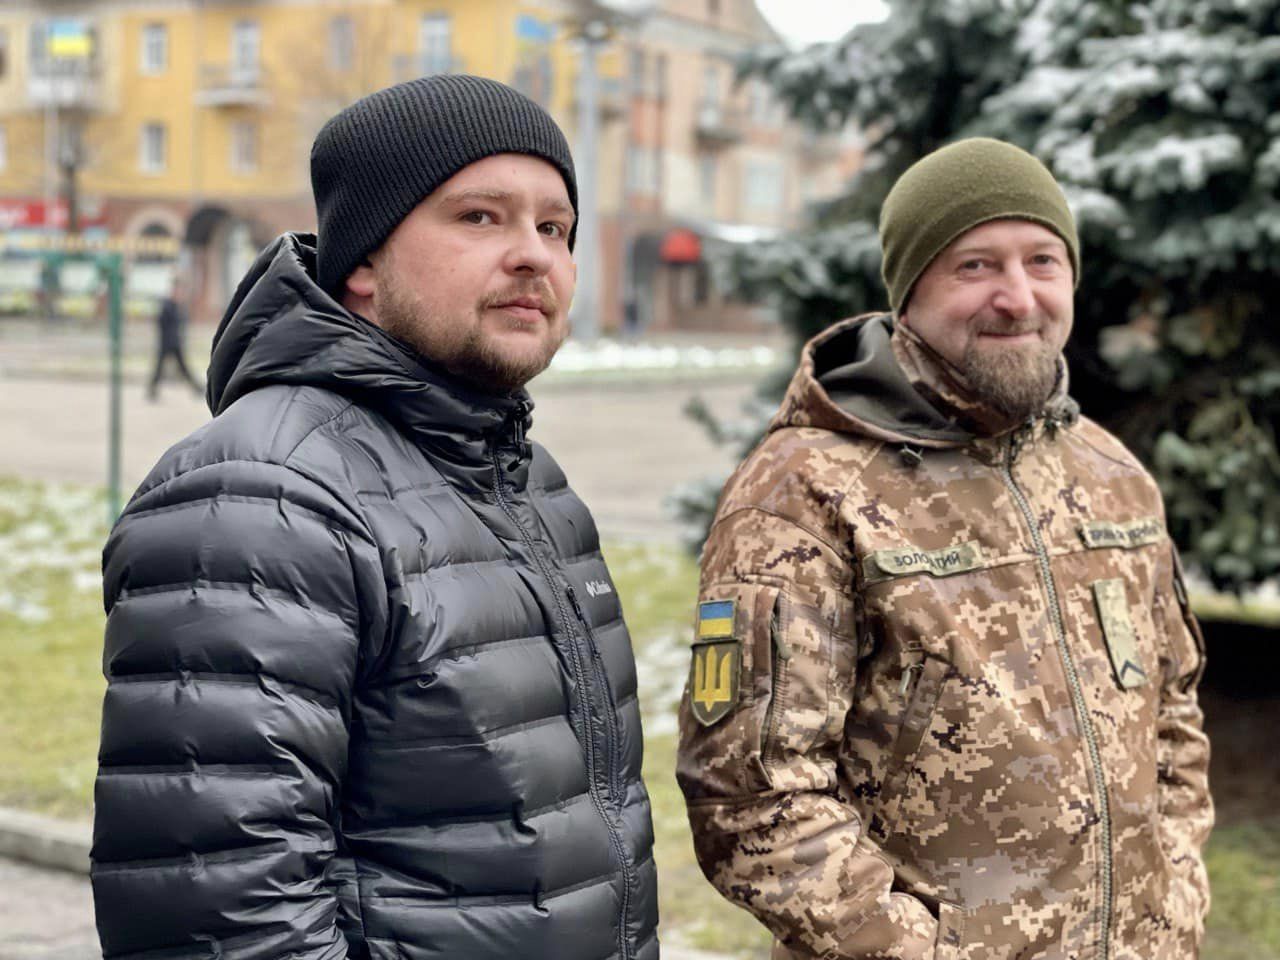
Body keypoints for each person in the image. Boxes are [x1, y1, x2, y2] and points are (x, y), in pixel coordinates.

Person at [93, 75, 658, 960]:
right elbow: (224, 915)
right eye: (480, 217)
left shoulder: (523, 478)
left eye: (555, 227)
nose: (533, 255)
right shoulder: (262, 496)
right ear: (363, 262)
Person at [676, 138, 1211, 960]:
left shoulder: (1112, 477)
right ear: (910, 291)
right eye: (975, 265)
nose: (1018, 297)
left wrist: (1175, 904)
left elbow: (1173, 716)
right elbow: (752, 800)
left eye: (1043, 261)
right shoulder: (806, 491)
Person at [146, 275, 202, 400]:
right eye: (179, 290)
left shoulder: (179, 306)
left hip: (176, 343)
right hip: (166, 342)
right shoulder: (167, 305)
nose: (181, 293)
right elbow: (160, 322)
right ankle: (152, 390)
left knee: (183, 367)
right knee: (159, 368)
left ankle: (197, 388)